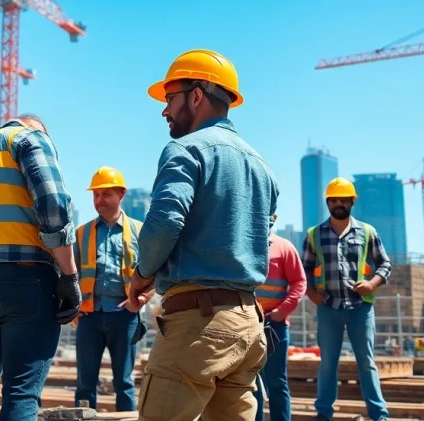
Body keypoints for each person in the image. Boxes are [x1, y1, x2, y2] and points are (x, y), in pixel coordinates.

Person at [125, 49, 279, 421]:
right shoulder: (262, 167)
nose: (165, 111)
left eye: (170, 99)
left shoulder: (185, 150)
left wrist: (143, 274)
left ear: (196, 95)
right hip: (248, 325)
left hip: (199, 326)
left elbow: (164, 221)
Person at [0, 113, 82, 421]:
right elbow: (54, 206)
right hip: (24, 278)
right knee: (20, 392)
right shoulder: (28, 139)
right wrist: (69, 274)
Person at [302, 177, 392, 421]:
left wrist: (372, 283)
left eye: (343, 199)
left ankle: (379, 415)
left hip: (360, 308)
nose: (338, 203)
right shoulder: (314, 234)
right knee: (328, 364)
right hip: (328, 307)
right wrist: (312, 294)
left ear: (353, 201)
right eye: (334, 200)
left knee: (367, 364)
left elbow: (384, 263)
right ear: (328, 203)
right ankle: (323, 414)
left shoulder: (367, 232)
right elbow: (305, 268)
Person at [73, 166, 144, 412]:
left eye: (106, 194)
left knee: (123, 382)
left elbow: (157, 271)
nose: (99, 200)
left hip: (125, 317)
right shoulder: (81, 233)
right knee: (84, 383)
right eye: (96, 195)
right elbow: (68, 275)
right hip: (89, 316)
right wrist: (74, 307)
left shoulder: (139, 231)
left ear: (121, 195)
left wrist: (142, 299)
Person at [253, 214, 307, 421]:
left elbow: (299, 282)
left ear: (273, 217)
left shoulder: (284, 247)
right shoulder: (243, 245)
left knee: (277, 382)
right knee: (251, 382)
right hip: (247, 325)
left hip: (274, 326)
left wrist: (282, 311)